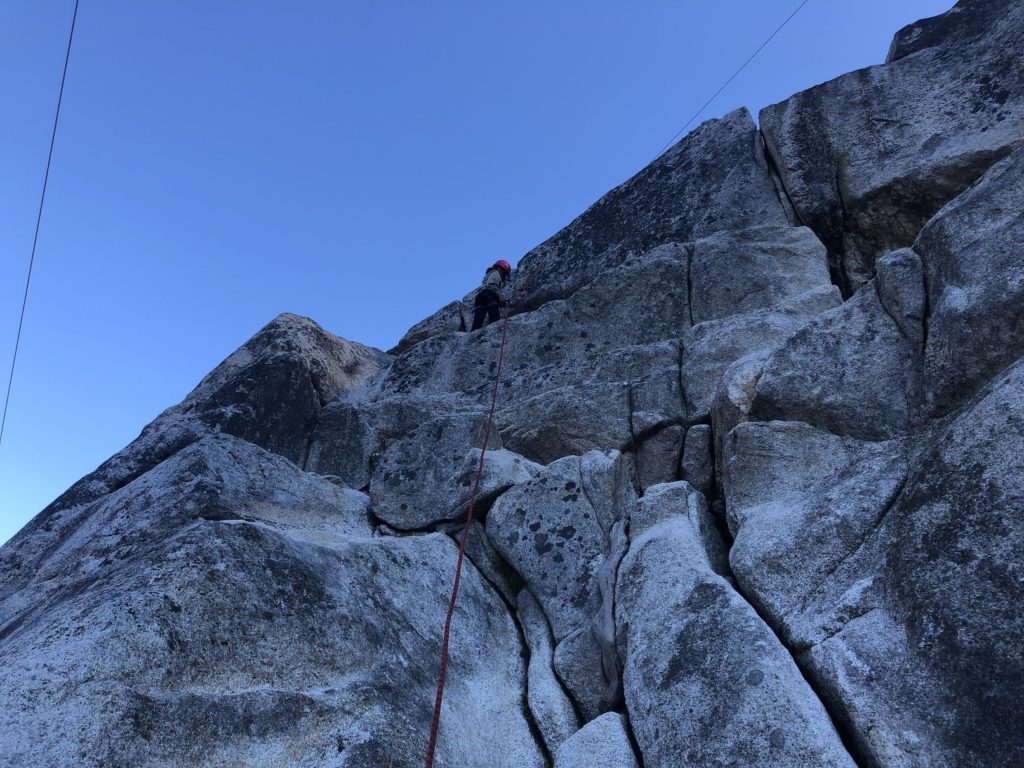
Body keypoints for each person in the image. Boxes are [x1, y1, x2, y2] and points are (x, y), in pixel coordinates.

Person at [471, 260, 512, 330]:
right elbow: (492, 285)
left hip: (480, 297)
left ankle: (473, 334)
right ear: (500, 269)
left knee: (478, 319)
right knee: (494, 316)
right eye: (504, 272)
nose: (504, 275)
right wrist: (500, 296)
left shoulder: (488, 275)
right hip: (489, 294)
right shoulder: (496, 273)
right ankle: (494, 331)